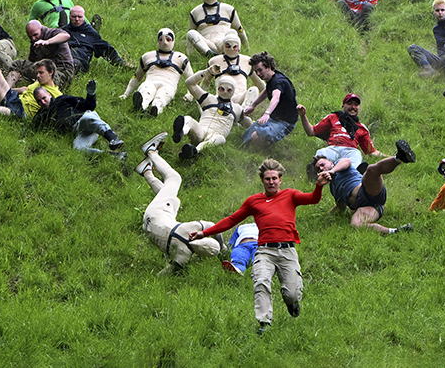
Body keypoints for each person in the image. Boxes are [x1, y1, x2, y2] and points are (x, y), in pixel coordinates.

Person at [188, 159, 328, 335]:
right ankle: (264, 322)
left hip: (287, 250)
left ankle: (292, 303)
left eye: (274, 178)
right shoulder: (254, 201)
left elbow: (312, 199)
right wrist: (204, 233)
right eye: (267, 179)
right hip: (264, 250)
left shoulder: (290, 195)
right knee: (261, 280)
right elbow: (232, 220)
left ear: (280, 179)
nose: (271, 182)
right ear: (262, 180)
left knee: (291, 293)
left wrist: (319, 186)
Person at [134, 133, 225, 277]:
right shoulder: (184, 258)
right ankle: (146, 171)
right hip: (148, 227)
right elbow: (164, 274)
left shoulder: (190, 229)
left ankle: (150, 151)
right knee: (174, 201)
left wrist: (223, 247)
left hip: (156, 214)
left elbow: (213, 226)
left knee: (174, 178)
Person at [310, 140, 415, 233]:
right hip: (369, 206)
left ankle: (400, 158)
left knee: (371, 170)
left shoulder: (339, 164)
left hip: (367, 190)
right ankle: (396, 231)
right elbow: (340, 206)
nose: (321, 168)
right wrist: (326, 217)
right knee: (356, 225)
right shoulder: (333, 188)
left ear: (331, 162)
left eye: (323, 165)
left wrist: (332, 171)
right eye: (318, 169)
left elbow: (347, 161)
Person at [31, 79, 126, 158]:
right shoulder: (42, 115)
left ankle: (113, 138)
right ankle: (114, 156)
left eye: (44, 98)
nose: (43, 102)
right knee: (78, 149)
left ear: (49, 95)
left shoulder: (62, 99)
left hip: (84, 120)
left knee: (87, 118)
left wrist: (91, 94)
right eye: (39, 101)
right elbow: (32, 129)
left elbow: (89, 106)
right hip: (79, 131)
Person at [297, 93, 386, 170]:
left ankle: (353, 173)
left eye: (356, 105)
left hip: (350, 151)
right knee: (321, 153)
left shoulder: (362, 128)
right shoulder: (333, 117)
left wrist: (392, 158)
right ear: (343, 106)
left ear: (359, 108)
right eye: (350, 104)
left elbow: (372, 152)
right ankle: (317, 173)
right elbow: (311, 131)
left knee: (357, 155)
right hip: (333, 148)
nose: (353, 107)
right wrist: (303, 115)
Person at [173, 74, 251, 158]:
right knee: (188, 119)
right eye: (222, 89)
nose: (224, 92)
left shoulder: (237, 109)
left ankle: (195, 150)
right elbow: (189, 83)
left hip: (216, 136)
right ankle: (180, 133)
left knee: (220, 138)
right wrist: (207, 72)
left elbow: (246, 122)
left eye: (229, 90)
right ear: (218, 88)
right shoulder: (208, 99)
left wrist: (254, 127)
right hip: (201, 130)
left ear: (233, 91)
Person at [121, 28, 192, 117]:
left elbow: (191, 79)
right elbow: (137, 76)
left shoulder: (181, 58)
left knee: (162, 96)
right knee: (146, 90)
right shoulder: (147, 56)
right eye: (161, 40)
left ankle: (155, 109)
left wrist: (189, 95)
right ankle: (141, 105)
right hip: (150, 81)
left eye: (168, 39)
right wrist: (126, 94)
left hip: (169, 84)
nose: (165, 42)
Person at [242, 51, 297, 147]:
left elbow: (276, 97)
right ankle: (244, 148)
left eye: (260, 70)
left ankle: (265, 148)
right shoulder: (272, 77)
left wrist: (267, 113)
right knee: (247, 134)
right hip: (274, 117)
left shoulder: (278, 81)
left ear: (268, 67)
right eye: (256, 71)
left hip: (285, 122)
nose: (258, 74)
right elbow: (267, 91)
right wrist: (253, 106)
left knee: (256, 136)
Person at [186, 0, 250, 58]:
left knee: (232, 32)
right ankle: (209, 54)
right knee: (191, 33)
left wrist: (247, 48)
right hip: (207, 44)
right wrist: (189, 55)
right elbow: (191, 36)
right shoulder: (195, 12)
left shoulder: (228, 9)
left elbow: (239, 29)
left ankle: (231, 53)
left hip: (224, 42)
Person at [7, 20, 75, 90]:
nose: (33, 38)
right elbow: (30, 61)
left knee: (46, 79)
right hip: (43, 71)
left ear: (41, 29)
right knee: (18, 64)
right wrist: (22, 72)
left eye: (35, 34)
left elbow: (66, 36)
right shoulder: (34, 42)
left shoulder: (52, 33)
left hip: (60, 73)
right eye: (30, 36)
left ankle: (24, 91)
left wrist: (47, 42)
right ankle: (7, 90)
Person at [61, 5, 128, 73]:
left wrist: (120, 64)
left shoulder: (91, 33)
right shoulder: (62, 31)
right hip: (62, 57)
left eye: (80, 17)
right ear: (69, 16)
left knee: (72, 64)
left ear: (84, 17)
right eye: (74, 16)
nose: (77, 19)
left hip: (79, 60)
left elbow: (106, 48)